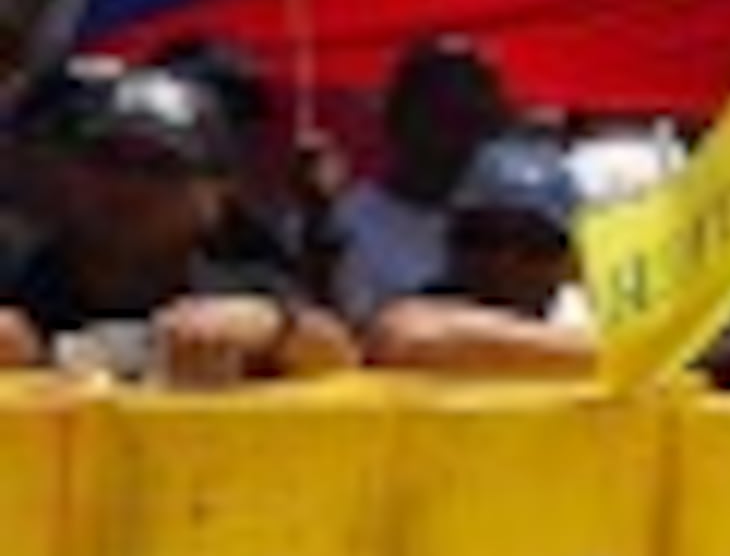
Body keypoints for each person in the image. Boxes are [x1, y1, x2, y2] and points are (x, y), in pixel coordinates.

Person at [0, 67, 355, 384]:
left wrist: (273, 327)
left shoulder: (245, 284)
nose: (130, 187)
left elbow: (335, 350)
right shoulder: (15, 278)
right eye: (107, 161)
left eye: (161, 168)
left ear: (216, 196)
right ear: (65, 175)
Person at [364, 136, 595, 377]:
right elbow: (405, 341)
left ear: (569, 258)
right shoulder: (422, 313)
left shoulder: (585, 316)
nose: (505, 262)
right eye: (484, 236)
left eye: (534, 243)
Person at [327, 36, 513, 321]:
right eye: (444, 117)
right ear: (398, 117)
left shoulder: (512, 224)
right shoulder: (351, 223)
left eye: (473, 120)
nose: (459, 140)